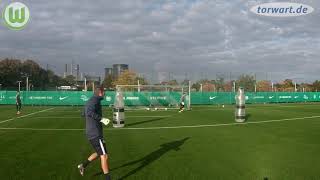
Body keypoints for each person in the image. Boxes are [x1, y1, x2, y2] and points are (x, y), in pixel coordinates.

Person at [77, 86, 111, 180]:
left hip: (93, 132)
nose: (105, 94)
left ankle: (82, 166)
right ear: (100, 92)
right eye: (104, 92)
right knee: (104, 156)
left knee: (98, 152)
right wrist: (101, 119)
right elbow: (88, 112)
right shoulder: (94, 100)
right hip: (95, 133)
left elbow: (83, 113)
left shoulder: (93, 100)